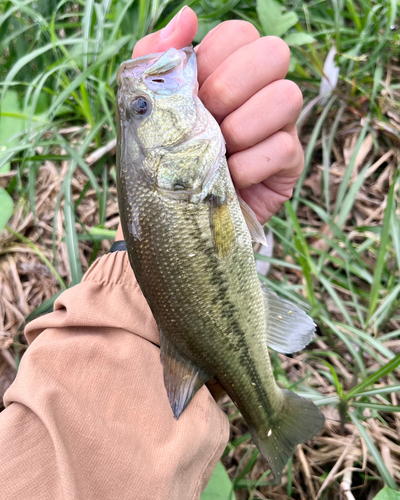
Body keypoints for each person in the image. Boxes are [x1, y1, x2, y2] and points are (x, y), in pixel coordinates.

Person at [0, 7, 304, 500]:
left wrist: (135, 298)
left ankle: (268, 410)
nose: (144, 98)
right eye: (141, 110)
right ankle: (270, 412)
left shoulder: (184, 179)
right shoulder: (183, 179)